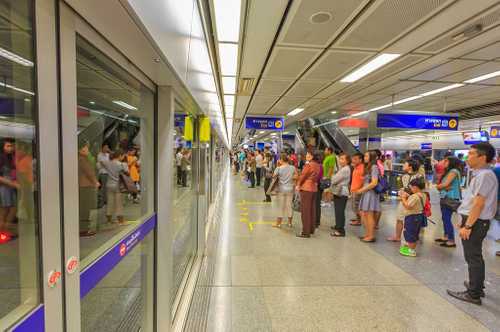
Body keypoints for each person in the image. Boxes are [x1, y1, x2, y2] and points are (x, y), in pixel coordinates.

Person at [447, 143, 498, 305]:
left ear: (482, 157)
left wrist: (467, 226)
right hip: (474, 221)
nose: (467, 157)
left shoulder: (485, 176)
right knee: (474, 256)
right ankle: (477, 286)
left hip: (475, 223)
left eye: (471, 154)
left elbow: (479, 204)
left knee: (473, 257)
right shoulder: (481, 174)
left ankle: (473, 294)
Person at [387, 159, 422, 242]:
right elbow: (402, 187)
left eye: (405, 164)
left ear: (410, 166)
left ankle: (412, 238)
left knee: (412, 220)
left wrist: (408, 193)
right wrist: (401, 191)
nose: (403, 166)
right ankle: (398, 236)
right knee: (399, 218)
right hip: (403, 201)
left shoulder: (419, 176)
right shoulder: (404, 176)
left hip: (413, 202)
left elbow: (420, 189)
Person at [354, 150, 381, 242]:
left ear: (371, 157)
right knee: (365, 214)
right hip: (367, 192)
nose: (364, 158)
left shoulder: (374, 167)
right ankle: (368, 234)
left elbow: (374, 182)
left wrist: (361, 190)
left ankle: (371, 235)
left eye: (366, 156)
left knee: (369, 215)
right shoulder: (369, 167)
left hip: (370, 193)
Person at [435, 156, 462, 248]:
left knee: (446, 218)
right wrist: (441, 186)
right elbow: (444, 185)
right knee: (444, 218)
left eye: (446, 161)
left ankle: (451, 240)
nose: (444, 162)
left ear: (451, 162)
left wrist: (437, 186)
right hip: (445, 197)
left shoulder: (453, 171)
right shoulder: (449, 172)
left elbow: (445, 184)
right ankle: (446, 236)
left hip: (450, 198)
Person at [399, 177, 427, 257]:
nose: (410, 189)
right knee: (415, 233)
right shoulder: (423, 195)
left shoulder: (415, 196)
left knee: (410, 232)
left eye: (411, 187)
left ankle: (411, 250)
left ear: (415, 187)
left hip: (412, 217)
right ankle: (412, 248)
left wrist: (403, 198)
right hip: (419, 216)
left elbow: (408, 206)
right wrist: (409, 196)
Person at [295, 151, 320, 238]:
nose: (306, 156)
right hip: (314, 188)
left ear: (312, 156)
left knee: (305, 211)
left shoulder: (308, 165)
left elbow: (303, 175)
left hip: (306, 188)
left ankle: (305, 232)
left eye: (308, 155)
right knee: (312, 210)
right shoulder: (317, 165)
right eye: (306, 155)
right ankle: (311, 229)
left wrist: (298, 184)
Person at [100, 150, 128, 225]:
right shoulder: (121, 164)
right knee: (119, 203)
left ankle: (109, 220)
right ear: (119, 156)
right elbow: (127, 172)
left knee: (110, 202)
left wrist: (110, 155)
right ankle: (120, 221)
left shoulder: (108, 163)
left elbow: (101, 161)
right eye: (122, 156)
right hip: (117, 185)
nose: (123, 158)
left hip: (109, 185)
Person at [78, 141, 100, 237]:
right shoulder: (82, 159)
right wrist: (95, 182)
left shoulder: (79, 159)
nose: (87, 150)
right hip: (86, 186)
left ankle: (84, 228)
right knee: (87, 208)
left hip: (82, 186)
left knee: (84, 208)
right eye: (85, 148)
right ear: (80, 149)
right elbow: (89, 172)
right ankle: (84, 229)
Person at [0, 139, 19, 238]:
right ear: (3, 147)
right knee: (5, 209)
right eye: (8, 146)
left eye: (11, 146)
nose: (10, 148)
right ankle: (3, 231)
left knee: (12, 208)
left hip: (10, 186)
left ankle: (5, 230)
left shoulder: (10, 157)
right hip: (4, 187)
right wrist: (12, 183)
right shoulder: (1, 157)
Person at [272, 154, 297, 228]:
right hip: (290, 189)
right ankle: (290, 223)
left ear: (281, 160)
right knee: (289, 205)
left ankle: (278, 223)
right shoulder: (293, 168)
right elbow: (296, 176)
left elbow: (273, 177)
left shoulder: (279, 168)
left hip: (281, 189)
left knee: (281, 206)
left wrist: (277, 165)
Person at [330, 153, 351, 237]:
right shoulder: (343, 168)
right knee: (338, 210)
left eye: (342, 159)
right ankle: (338, 226)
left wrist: (333, 176)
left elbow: (334, 180)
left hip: (341, 192)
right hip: (340, 192)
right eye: (340, 158)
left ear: (347, 160)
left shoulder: (345, 169)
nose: (340, 160)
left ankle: (340, 230)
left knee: (339, 211)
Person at [350, 152, 364, 226]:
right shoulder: (356, 167)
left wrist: (359, 190)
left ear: (361, 160)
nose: (353, 160)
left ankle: (362, 221)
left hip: (358, 191)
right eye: (353, 159)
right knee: (355, 207)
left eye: (355, 159)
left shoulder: (362, 168)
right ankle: (358, 220)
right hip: (354, 190)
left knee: (357, 207)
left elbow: (363, 181)